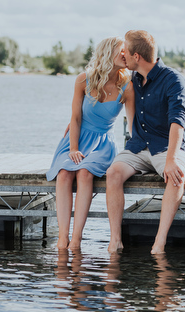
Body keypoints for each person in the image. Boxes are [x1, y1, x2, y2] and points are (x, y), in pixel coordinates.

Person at [46, 36, 135, 250]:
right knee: (64, 173)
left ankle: (76, 239)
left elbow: (132, 126)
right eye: (122, 51)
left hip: (103, 143)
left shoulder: (128, 86)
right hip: (76, 138)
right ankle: (62, 238)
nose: (126, 55)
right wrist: (74, 148)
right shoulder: (83, 80)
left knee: (85, 173)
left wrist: (137, 154)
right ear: (108, 53)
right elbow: (75, 118)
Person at [106, 29, 185, 255]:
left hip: (166, 147)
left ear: (137, 57)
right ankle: (115, 240)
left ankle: (159, 243)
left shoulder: (173, 80)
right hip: (138, 146)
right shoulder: (132, 78)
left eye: (126, 51)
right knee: (113, 173)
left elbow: (177, 122)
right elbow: (98, 90)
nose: (123, 55)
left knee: (176, 176)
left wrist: (172, 159)